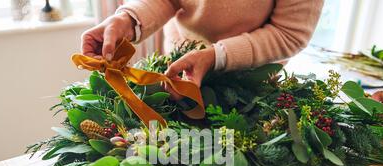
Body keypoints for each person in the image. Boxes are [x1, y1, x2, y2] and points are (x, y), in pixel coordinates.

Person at [81, 0, 324, 98]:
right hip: (177, 65)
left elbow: (289, 32)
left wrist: (215, 56)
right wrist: (128, 19)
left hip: (251, 84)